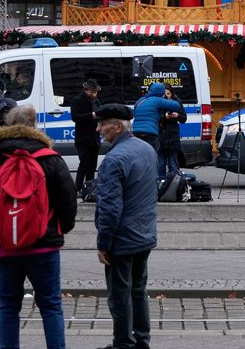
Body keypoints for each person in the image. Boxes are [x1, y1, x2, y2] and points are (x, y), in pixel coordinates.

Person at [0, 105, 77, 349]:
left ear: (6, 127)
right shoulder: (50, 160)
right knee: (51, 304)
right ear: (34, 127)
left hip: (1, 247)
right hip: (43, 246)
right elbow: (68, 201)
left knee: (8, 305)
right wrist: (60, 229)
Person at [94, 103, 159, 349]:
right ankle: (141, 341)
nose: (99, 130)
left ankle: (123, 343)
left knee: (120, 295)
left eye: (103, 125)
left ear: (118, 127)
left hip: (122, 239)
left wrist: (103, 243)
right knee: (139, 290)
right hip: (145, 233)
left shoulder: (114, 160)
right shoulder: (147, 149)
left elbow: (110, 209)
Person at [70, 79, 102, 194]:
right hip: (83, 138)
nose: (94, 94)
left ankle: (89, 189)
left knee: (92, 165)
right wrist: (92, 115)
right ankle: (77, 188)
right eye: (92, 92)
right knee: (84, 163)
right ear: (85, 90)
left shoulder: (96, 102)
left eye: (95, 92)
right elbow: (76, 117)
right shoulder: (77, 101)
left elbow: (100, 114)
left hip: (94, 138)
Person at [131, 82, 182, 150]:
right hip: (150, 133)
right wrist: (166, 99)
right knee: (151, 156)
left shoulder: (140, 101)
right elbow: (176, 106)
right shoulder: (157, 100)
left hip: (136, 133)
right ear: (161, 92)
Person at [157, 84, 187, 180]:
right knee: (160, 165)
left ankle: (173, 187)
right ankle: (160, 187)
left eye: (168, 94)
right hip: (160, 137)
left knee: (173, 165)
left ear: (172, 93)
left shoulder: (177, 102)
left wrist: (177, 115)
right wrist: (164, 117)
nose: (166, 96)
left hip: (172, 138)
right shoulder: (157, 102)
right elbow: (155, 118)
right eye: (164, 94)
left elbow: (183, 118)